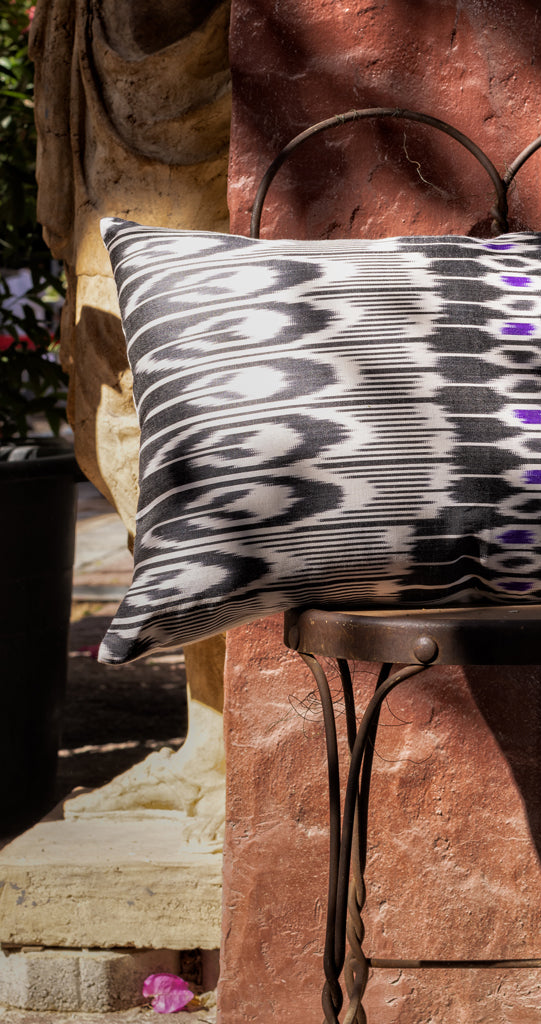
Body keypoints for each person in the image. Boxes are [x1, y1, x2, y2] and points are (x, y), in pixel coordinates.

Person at [30, 0, 231, 848]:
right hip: (111, 102)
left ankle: (224, 745)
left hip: (181, 124)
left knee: (193, 426)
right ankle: (210, 734)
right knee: (123, 422)